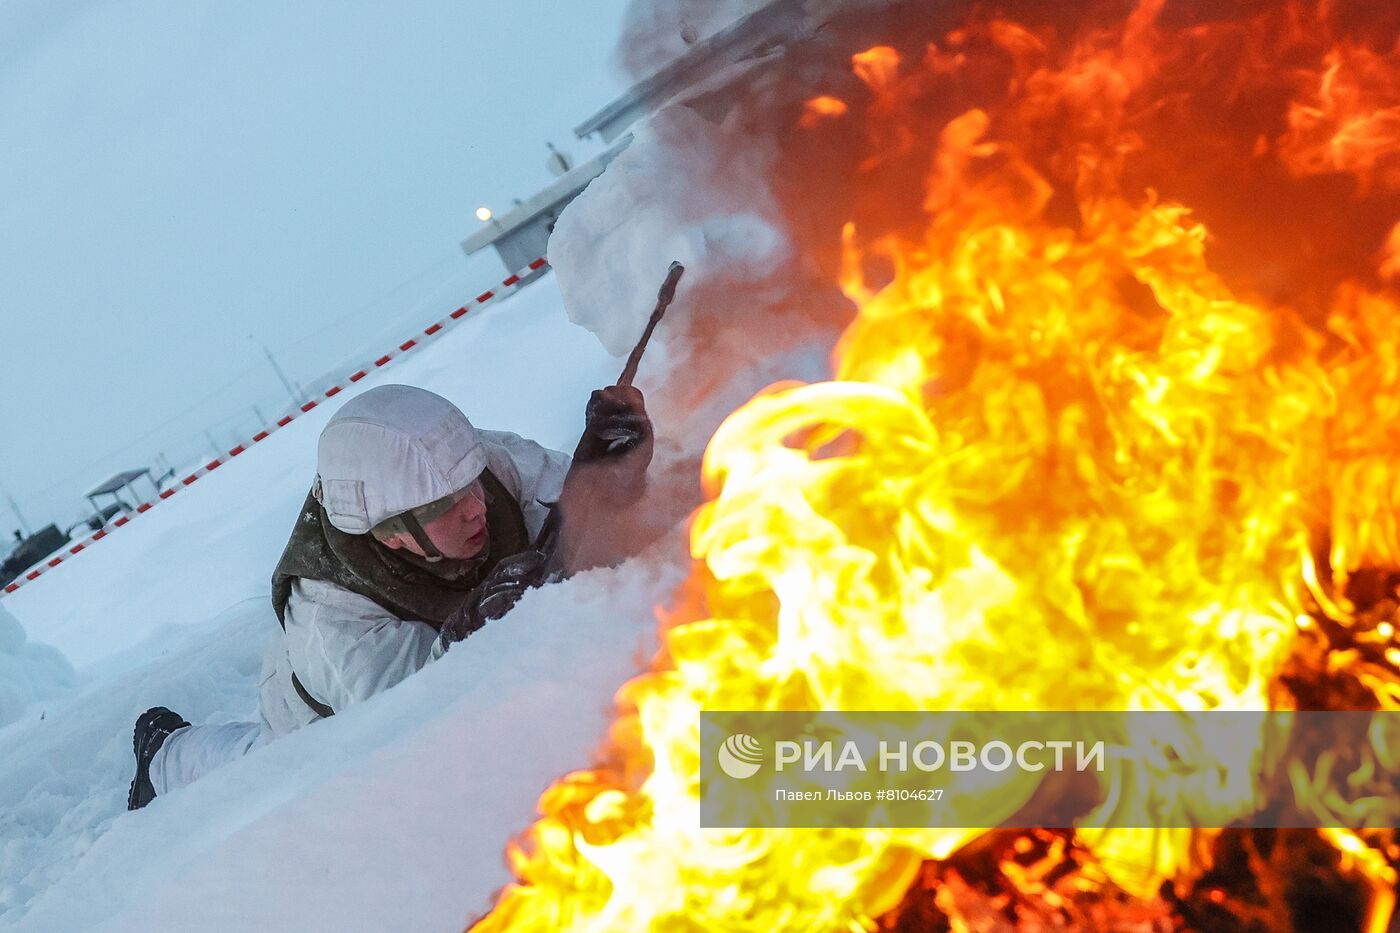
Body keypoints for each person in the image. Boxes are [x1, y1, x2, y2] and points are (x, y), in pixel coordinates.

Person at [127, 382, 652, 810]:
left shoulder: (476, 466)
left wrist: (606, 481)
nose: (477, 507)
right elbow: (416, 722)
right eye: (449, 506)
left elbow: (575, 522)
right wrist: (468, 632)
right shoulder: (331, 621)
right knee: (250, 774)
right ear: (391, 531)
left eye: (474, 485)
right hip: (321, 713)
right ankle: (164, 753)